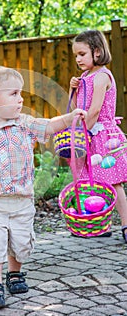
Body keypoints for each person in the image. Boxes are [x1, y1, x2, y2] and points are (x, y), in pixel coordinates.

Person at [0, 65, 86, 310]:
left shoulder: (25, 123)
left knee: (20, 242)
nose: (21, 99)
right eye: (13, 94)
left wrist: (70, 117)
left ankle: (14, 273)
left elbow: (50, 126)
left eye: (20, 93)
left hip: (22, 198)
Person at [70, 29, 127, 241]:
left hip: (102, 134)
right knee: (92, 181)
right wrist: (72, 90)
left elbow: (94, 110)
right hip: (89, 132)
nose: (78, 59)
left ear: (97, 51)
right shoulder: (84, 77)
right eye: (76, 55)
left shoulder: (102, 76)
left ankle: (126, 223)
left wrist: (83, 134)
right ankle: (98, 223)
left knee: (113, 181)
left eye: (82, 54)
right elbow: (77, 108)